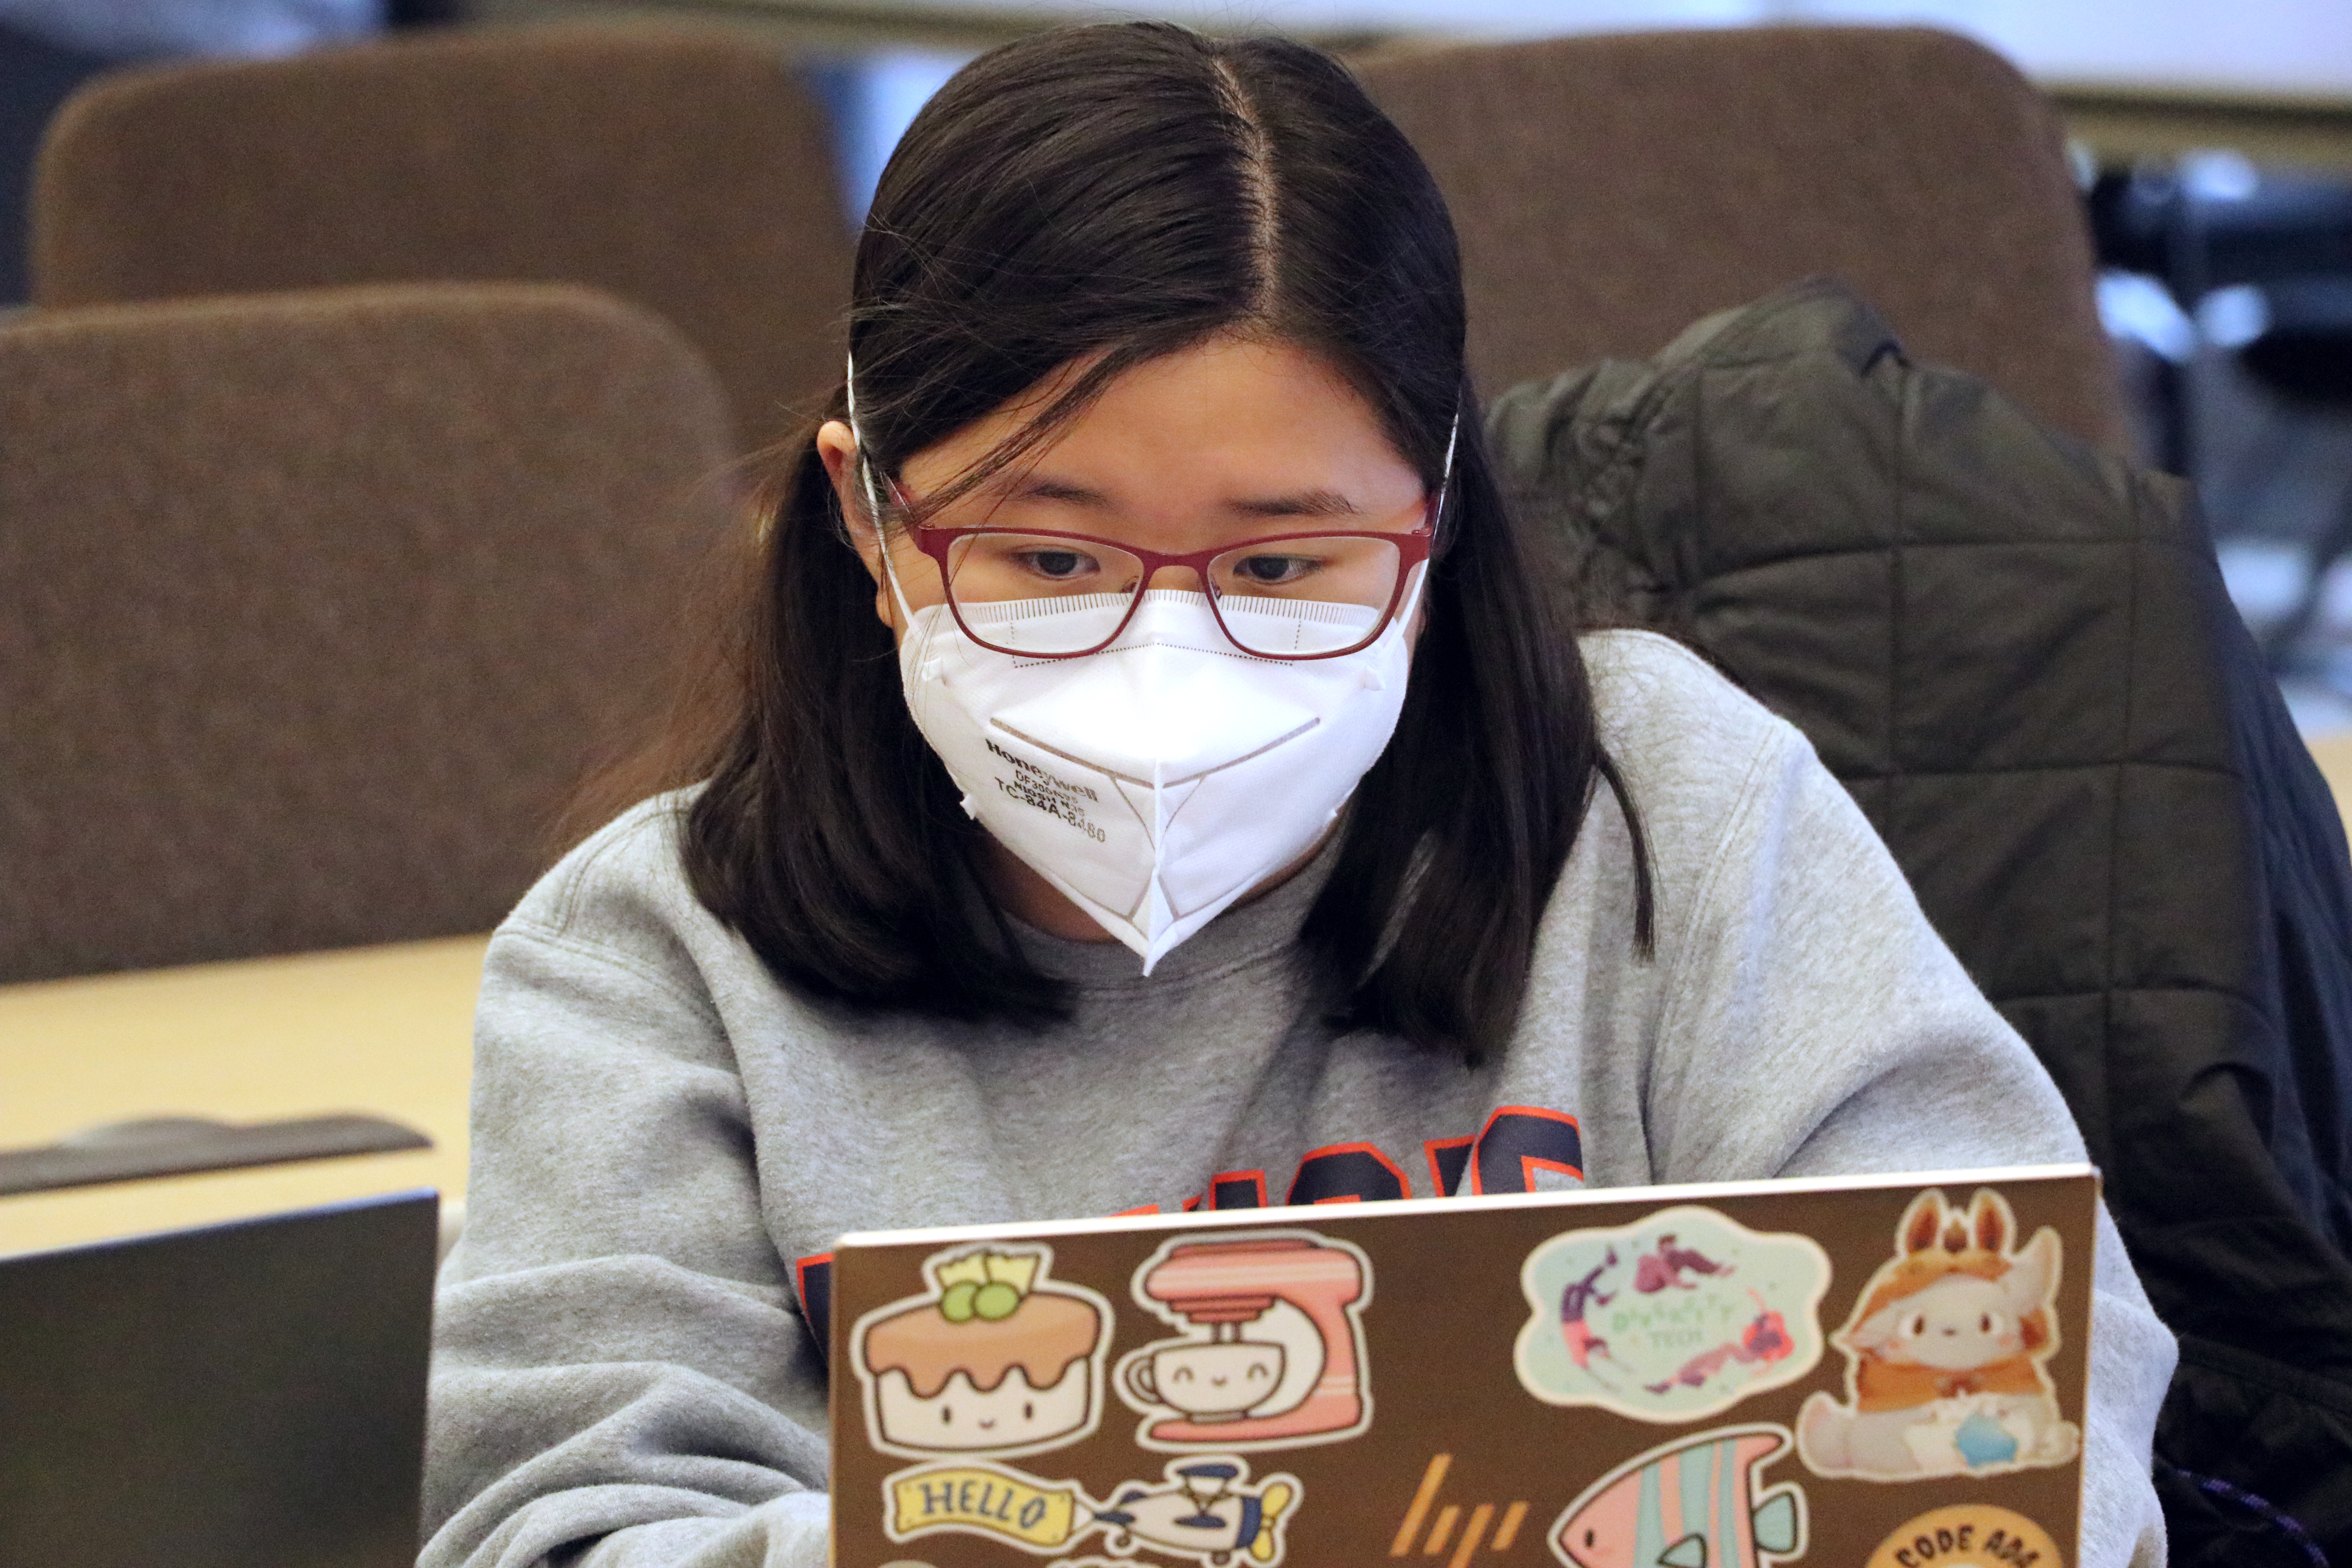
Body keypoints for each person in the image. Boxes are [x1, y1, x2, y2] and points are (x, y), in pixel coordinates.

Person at [421, 21, 2173, 1568]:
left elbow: (2030, 1375)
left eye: (1282, 565)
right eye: (1046, 551)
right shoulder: (657, 955)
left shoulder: (1659, 812)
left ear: (1434, 529)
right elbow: (553, 1530)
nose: (1162, 654)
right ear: (873, 524)